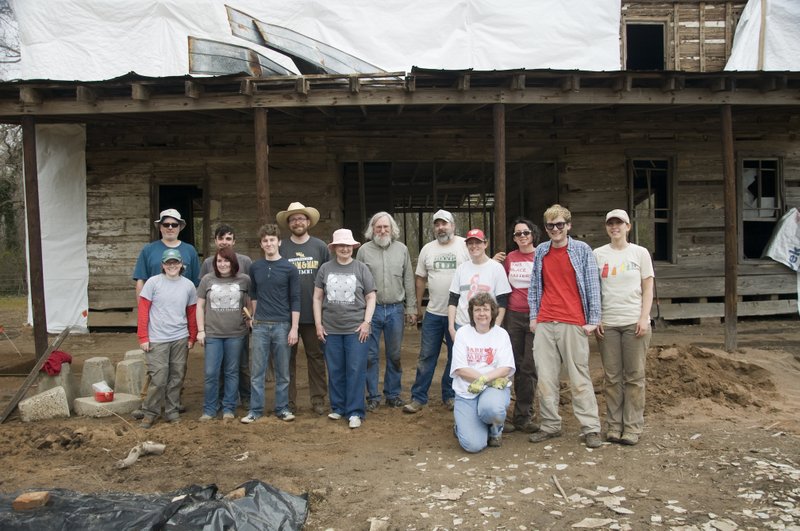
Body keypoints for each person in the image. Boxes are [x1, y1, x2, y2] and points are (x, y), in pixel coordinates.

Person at [527, 204, 603, 449]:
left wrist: (594, 319)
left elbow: (592, 284)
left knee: (579, 376)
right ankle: (550, 425)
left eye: (560, 224)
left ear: (568, 226)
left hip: (573, 321)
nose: (555, 229)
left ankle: (591, 427)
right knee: (546, 378)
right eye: (550, 225)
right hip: (546, 320)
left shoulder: (581, 250)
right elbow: (535, 286)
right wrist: (534, 317)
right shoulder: (541, 251)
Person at [593, 209, 654, 446]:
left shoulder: (639, 253)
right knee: (612, 377)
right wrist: (596, 317)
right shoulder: (598, 254)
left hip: (633, 322)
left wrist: (644, 317)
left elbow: (648, 287)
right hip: (608, 323)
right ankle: (613, 426)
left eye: (619, 223)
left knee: (634, 376)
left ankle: (632, 427)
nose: (615, 227)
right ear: (606, 227)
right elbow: (593, 288)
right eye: (611, 224)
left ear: (628, 226)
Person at [404, 210, 470, 414]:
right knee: (426, 355)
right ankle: (418, 397)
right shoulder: (427, 249)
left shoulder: (465, 245)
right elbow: (420, 279)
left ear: (453, 226)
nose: (441, 227)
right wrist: (416, 307)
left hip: (460, 313)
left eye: (445, 223)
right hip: (434, 312)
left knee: (455, 356)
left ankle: (449, 395)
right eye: (437, 224)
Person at [313, 228, 376, 429]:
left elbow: (371, 296)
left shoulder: (361, 268)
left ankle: (355, 411)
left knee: (356, 369)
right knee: (335, 369)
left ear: (353, 247)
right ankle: (338, 407)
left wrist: (366, 322)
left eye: (348, 245)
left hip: (356, 329)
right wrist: (318, 324)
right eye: (341, 245)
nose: (344, 249)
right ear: (334, 248)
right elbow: (317, 297)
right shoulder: (325, 268)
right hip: (331, 329)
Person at [356, 212, 417, 412]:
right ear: (372, 230)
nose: (382, 231)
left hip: (395, 309)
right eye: (378, 227)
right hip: (370, 311)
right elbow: (357, 282)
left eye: (386, 227)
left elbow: (408, 279)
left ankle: (393, 394)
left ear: (392, 229)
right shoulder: (364, 251)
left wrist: (411, 307)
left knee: (394, 354)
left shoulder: (402, 250)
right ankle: (373, 396)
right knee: (370, 355)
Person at [241, 224, 300, 424]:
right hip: (261, 326)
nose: (269, 243)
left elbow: (295, 298)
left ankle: (282, 408)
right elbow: (254, 294)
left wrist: (294, 327)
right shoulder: (255, 267)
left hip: (282, 325)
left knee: (283, 371)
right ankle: (255, 410)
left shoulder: (289, 268)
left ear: (279, 242)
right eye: (265, 240)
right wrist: (255, 318)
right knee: (257, 371)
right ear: (261, 244)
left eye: (272, 239)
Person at [277, 202, 330, 416]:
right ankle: (288, 402)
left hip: (313, 314)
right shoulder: (281, 248)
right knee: (286, 359)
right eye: (293, 219)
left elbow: (328, 279)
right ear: (288, 224)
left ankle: (318, 399)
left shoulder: (320, 247)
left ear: (308, 222)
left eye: (301, 218)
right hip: (285, 314)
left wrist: (324, 312)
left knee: (315, 358)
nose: (297, 222)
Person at [136, 248, 198, 429]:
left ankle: (172, 410)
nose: (172, 266)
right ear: (163, 265)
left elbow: (192, 312)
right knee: (159, 377)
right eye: (168, 263)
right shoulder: (153, 283)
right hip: (157, 338)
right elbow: (143, 310)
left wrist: (191, 336)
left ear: (181, 265)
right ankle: (150, 412)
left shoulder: (188, 285)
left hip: (180, 337)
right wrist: (143, 336)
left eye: (175, 263)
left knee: (177, 375)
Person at [493, 218, 541, 434]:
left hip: (535, 316)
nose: (522, 237)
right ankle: (504, 415)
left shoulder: (541, 255)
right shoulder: (510, 258)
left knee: (530, 367)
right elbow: (498, 282)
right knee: (512, 365)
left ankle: (524, 415)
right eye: (517, 234)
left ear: (533, 233)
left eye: (525, 233)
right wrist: (494, 262)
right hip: (513, 315)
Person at [451, 292, 515, 452]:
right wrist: (486, 378)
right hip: (467, 391)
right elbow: (460, 369)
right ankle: (464, 426)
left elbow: (506, 368)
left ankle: (495, 430)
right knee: (473, 445)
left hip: (493, 389)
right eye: (477, 310)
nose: (481, 314)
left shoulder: (501, 334)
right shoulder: (463, 333)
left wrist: (484, 380)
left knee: (491, 409)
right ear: (472, 313)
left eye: (485, 309)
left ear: (492, 312)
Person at [199, 223, 253, 407]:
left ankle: (245, 397)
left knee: (242, 364)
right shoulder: (208, 263)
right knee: (217, 367)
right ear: (215, 241)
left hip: (239, 325)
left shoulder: (245, 261)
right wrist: (204, 326)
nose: (224, 242)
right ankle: (220, 399)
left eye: (228, 238)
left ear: (234, 241)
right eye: (221, 238)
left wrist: (249, 316)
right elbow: (205, 295)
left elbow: (250, 294)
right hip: (216, 325)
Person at [448, 228, 511, 341]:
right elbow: (453, 299)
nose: (474, 246)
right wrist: (451, 328)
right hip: (462, 325)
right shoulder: (461, 269)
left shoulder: (496, 268)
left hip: (487, 326)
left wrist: (495, 327)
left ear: (485, 244)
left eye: (478, 242)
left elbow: (502, 301)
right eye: (470, 243)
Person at [134, 208, 201, 295]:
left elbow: (197, 284)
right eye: (166, 224)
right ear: (160, 227)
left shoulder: (190, 250)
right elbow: (140, 281)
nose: (170, 227)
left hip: (183, 306)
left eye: (174, 225)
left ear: (179, 227)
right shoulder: (148, 250)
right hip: (156, 307)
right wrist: (142, 308)